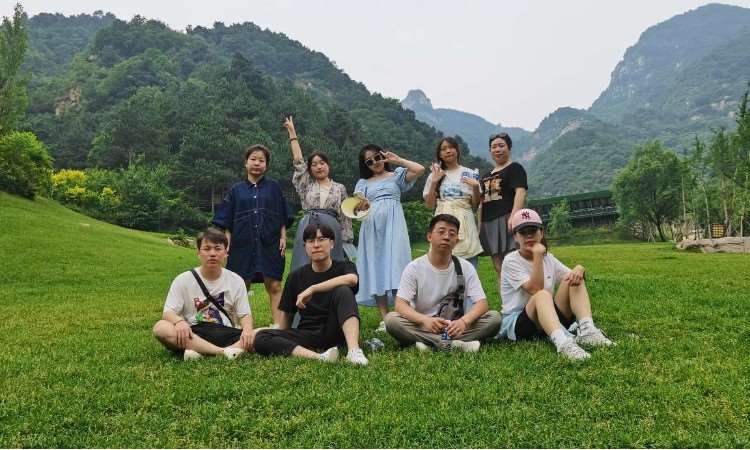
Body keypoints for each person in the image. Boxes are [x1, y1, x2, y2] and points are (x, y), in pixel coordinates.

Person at [499, 208, 615, 361]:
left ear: (541, 233)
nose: (528, 236)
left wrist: (580, 269)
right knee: (542, 295)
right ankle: (563, 344)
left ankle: (588, 330)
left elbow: (572, 277)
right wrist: (537, 255)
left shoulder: (549, 258)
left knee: (573, 279)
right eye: (523, 232)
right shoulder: (511, 260)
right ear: (515, 236)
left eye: (532, 231)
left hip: (547, 317)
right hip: (520, 324)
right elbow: (535, 289)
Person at [254, 222, 368, 365]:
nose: (316, 245)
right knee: (261, 337)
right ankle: (320, 357)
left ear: (332, 243)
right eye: (311, 241)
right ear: (305, 247)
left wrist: (313, 289)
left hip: (336, 331)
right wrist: (276, 335)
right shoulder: (296, 277)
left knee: (343, 290)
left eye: (321, 239)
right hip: (308, 334)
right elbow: (286, 319)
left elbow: (352, 280)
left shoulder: (344, 266)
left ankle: (353, 351)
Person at [384, 214, 502, 352]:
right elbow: (400, 305)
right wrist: (424, 320)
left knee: (494, 319)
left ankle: (429, 342)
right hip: (424, 326)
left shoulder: (465, 267)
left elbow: (482, 304)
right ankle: (451, 343)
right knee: (391, 320)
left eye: (452, 234)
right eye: (441, 232)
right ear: (429, 236)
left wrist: (463, 322)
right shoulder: (414, 268)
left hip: (455, 327)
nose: (446, 237)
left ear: (456, 241)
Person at [212, 144, 291, 328]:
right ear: (246, 163)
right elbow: (227, 219)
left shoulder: (274, 188)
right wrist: (227, 242)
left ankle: (278, 327)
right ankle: (237, 327)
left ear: (266, 165)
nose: (257, 163)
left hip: (270, 242)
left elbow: (282, 215)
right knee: (240, 284)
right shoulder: (236, 190)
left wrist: (283, 236)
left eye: (261, 160)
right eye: (253, 159)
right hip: (242, 243)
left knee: (274, 284)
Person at [353, 144, 425, 333]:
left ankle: (402, 313)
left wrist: (398, 160)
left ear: (382, 156)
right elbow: (356, 209)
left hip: (395, 227)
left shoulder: (396, 176)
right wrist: (361, 206)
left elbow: (419, 169)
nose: (375, 162)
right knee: (376, 267)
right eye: (369, 161)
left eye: (377, 157)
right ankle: (385, 317)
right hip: (371, 229)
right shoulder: (363, 184)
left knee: (397, 265)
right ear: (365, 165)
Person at [152, 228, 254, 361]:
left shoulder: (236, 280)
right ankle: (224, 352)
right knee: (161, 327)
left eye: (218, 249)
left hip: (226, 332)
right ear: (198, 253)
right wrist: (179, 322)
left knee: (260, 334)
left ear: (225, 253)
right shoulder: (183, 280)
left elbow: (245, 314)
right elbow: (168, 312)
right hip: (193, 333)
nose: (212, 253)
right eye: (207, 249)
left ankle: (198, 351)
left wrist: (247, 330)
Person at [283, 116, 355, 273]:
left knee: (332, 267)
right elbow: (298, 162)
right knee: (304, 264)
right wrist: (292, 133)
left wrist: (346, 240)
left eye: (322, 163)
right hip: (308, 226)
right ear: (310, 169)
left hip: (332, 229)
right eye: (314, 164)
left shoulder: (340, 188)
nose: (319, 167)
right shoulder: (306, 185)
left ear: (328, 165)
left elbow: (345, 216)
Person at [423, 137, 483, 267]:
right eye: (443, 149)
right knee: (441, 259)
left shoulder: (469, 173)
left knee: (468, 262)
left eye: (451, 147)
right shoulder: (435, 174)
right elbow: (429, 204)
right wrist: (434, 182)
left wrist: (475, 187)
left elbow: (475, 204)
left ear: (457, 150)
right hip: (442, 219)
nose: (448, 151)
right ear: (439, 154)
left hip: (465, 220)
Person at [479, 133, 528, 285]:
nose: (497, 149)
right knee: (498, 266)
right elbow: (481, 202)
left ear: (509, 148)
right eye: (494, 147)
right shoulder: (485, 175)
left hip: (506, 218)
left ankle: (525, 293)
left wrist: (514, 216)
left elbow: (520, 192)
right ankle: (506, 297)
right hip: (488, 222)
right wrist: (479, 225)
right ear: (490, 151)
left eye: (501, 146)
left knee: (513, 262)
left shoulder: (515, 168)